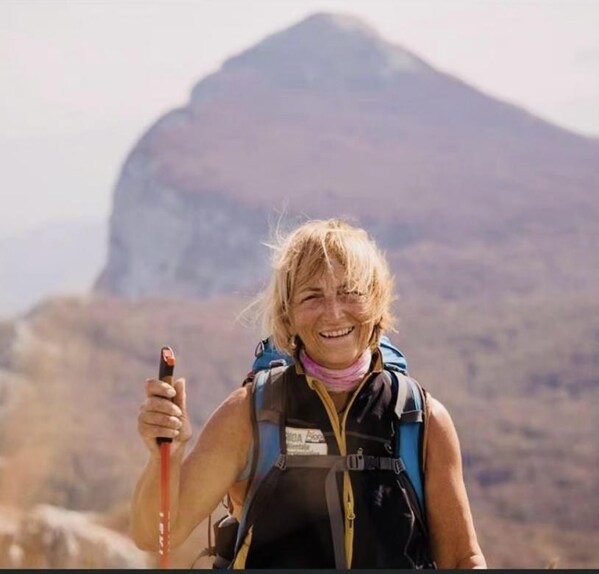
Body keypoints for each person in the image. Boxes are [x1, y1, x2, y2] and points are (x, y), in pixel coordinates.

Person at [131, 218, 487, 569]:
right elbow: (157, 536)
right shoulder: (250, 414)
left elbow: (462, 559)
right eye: (312, 296)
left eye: (350, 292)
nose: (333, 314)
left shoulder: (421, 420)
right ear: (287, 316)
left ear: (377, 302)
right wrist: (164, 456)